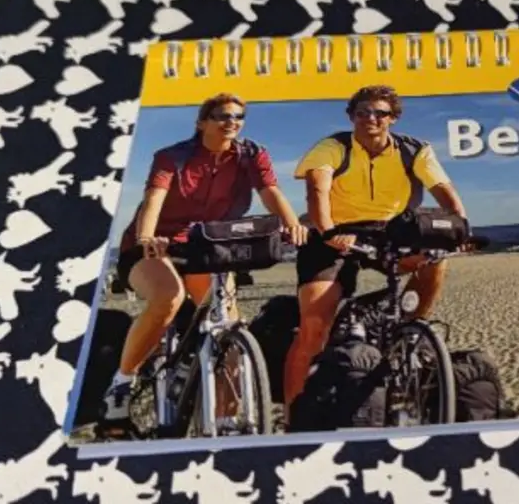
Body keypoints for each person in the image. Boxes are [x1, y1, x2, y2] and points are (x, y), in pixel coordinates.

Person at [101, 93, 310, 431]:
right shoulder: (172, 157)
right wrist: (147, 238)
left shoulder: (251, 154)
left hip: (207, 246)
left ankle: (225, 421)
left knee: (228, 327)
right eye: (222, 116)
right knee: (168, 298)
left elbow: (270, 191)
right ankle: (122, 383)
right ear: (201, 123)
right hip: (154, 245)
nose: (232, 122)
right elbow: (154, 198)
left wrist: (292, 224)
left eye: (238, 117)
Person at [283, 85, 469, 420]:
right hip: (333, 231)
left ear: (392, 118)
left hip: (388, 230)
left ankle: (409, 330)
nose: (371, 118)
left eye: (380, 113)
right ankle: (294, 419)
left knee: (433, 260)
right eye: (362, 112)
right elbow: (317, 189)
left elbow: (445, 191)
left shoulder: (415, 150)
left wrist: (460, 229)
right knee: (315, 324)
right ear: (351, 117)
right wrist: (328, 232)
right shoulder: (332, 147)